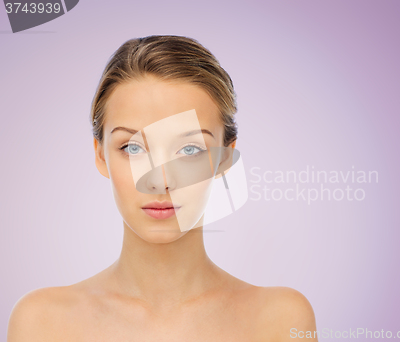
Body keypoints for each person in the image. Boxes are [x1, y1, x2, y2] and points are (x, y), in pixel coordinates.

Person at [7, 35, 317, 341]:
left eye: (190, 150)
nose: (160, 181)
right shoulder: (42, 322)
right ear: (101, 155)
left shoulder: (281, 320)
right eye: (132, 148)